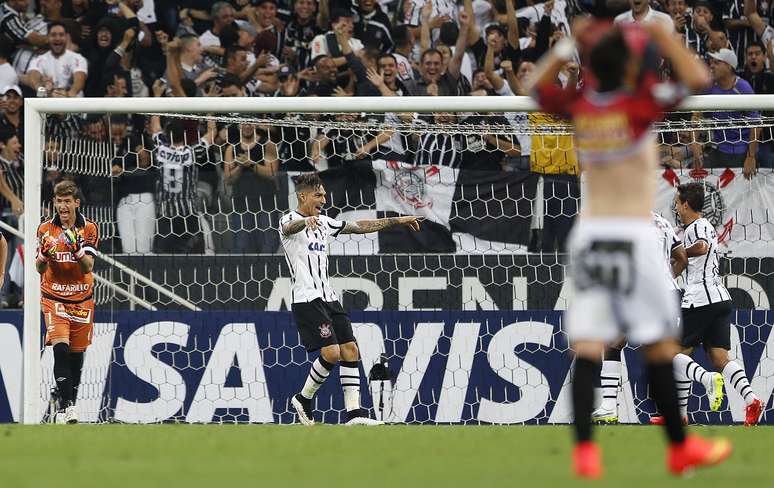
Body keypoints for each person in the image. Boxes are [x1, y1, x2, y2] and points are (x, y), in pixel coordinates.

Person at [526, 18, 729, 477]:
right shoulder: (639, 104)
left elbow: (533, 86)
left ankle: (584, 452)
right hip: (636, 234)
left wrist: (566, 46)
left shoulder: (579, 105)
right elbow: (698, 79)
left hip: (593, 234)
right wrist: (663, 36)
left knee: (589, 345)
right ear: (633, 66)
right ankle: (679, 449)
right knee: (657, 344)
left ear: (590, 68)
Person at [280, 173, 421, 425]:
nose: (324, 199)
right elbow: (289, 229)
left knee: (350, 350)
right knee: (331, 353)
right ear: (302, 196)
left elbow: (359, 226)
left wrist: (398, 220)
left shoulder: (324, 222)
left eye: (324, 194)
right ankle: (303, 398)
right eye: (318, 195)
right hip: (306, 298)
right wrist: (305, 222)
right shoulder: (289, 220)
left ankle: (354, 414)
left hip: (329, 297)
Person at [672, 183, 763, 426]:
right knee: (720, 358)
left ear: (687, 205)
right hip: (720, 298)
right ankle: (752, 400)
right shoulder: (707, 226)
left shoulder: (695, 227)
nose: (677, 208)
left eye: (678, 203)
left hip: (700, 299)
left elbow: (701, 248)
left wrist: (678, 252)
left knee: (673, 354)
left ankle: (697, 391)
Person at [36, 180, 99, 424]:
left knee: (76, 357)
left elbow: (88, 266)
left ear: (76, 203)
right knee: (60, 351)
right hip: (54, 298)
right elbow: (38, 267)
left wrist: (77, 249)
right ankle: (68, 407)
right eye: (58, 201)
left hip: (82, 300)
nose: (62, 206)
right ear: (54, 202)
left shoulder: (90, 228)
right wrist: (44, 254)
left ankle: (64, 407)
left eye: (67, 201)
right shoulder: (44, 230)